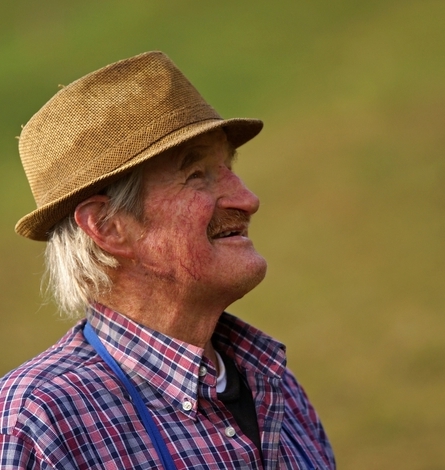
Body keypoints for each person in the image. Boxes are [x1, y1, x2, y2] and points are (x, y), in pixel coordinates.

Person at [0, 51, 335, 469]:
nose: (247, 200)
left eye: (228, 168)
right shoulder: (37, 421)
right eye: (197, 175)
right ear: (107, 225)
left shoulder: (274, 384)